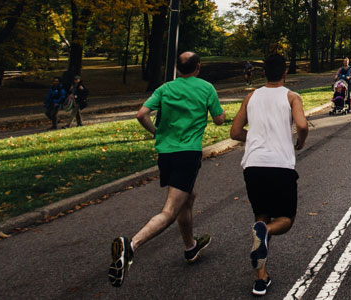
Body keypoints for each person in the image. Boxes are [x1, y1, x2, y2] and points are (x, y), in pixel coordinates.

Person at [108, 51, 227, 288]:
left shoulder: (165, 89)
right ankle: (131, 246)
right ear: (198, 67)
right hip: (187, 154)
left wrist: (156, 132)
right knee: (170, 210)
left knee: (188, 197)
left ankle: (190, 247)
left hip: (166, 154)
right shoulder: (205, 88)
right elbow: (219, 120)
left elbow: (141, 114)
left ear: (177, 68)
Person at [229, 54, 309, 296]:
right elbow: (303, 125)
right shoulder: (291, 97)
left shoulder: (251, 96)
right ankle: (267, 234)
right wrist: (300, 141)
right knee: (285, 218)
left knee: (260, 217)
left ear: (263, 73)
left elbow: (234, 132)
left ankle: (260, 277)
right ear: (285, 73)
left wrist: (254, 139)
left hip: (253, 165)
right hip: (280, 165)